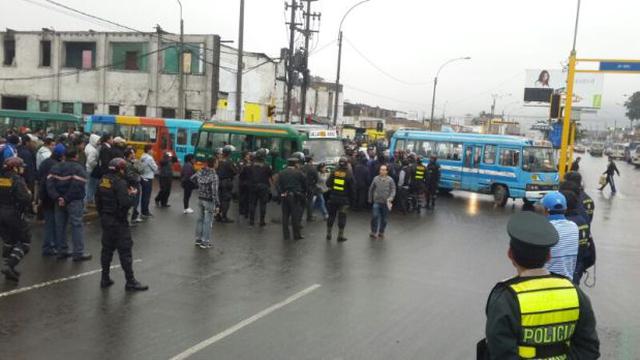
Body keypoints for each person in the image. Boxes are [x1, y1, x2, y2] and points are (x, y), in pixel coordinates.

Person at [478, 211, 600, 360]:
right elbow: (590, 349)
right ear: (549, 256)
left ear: (510, 254)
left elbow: (500, 353)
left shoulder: (505, 299)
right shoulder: (576, 294)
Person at [96, 158, 148, 291]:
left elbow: (98, 201)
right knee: (125, 251)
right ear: (121, 169)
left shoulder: (103, 180)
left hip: (106, 220)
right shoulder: (120, 183)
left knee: (106, 251)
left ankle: (105, 278)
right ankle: (130, 281)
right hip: (118, 222)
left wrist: (103, 215)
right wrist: (132, 195)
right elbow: (125, 203)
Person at [46, 148, 92, 261]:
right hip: (74, 201)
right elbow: (77, 186)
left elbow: (49, 184)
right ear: (75, 156)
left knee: (60, 226)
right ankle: (78, 253)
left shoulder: (55, 167)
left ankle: (62, 251)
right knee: (77, 225)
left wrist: (58, 197)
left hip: (58, 201)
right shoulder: (78, 168)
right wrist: (66, 198)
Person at [0, 157, 32, 281]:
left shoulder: (2, 178)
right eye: (20, 166)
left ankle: (9, 269)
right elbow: (25, 198)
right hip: (13, 214)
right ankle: (9, 266)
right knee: (25, 241)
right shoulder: (17, 180)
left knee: (9, 241)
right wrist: (29, 195)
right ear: (14, 167)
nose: (22, 168)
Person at [541, 191, 579, 280]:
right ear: (565, 209)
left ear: (546, 210)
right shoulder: (574, 227)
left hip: (547, 282)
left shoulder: (544, 229)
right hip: (568, 282)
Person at [561, 189, 594, 285]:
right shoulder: (583, 221)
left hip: (565, 273)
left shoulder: (567, 224)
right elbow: (590, 251)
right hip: (577, 270)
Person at [38, 143, 65, 256]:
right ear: (61, 155)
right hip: (52, 197)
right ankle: (48, 246)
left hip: (44, 195)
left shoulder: (45, 162)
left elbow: (40, 177)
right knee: (52, 223)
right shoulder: (56, 165)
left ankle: (51, 245)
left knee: (50, 222)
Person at [192, 157, 220, 249]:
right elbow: (214, 191)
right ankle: (205, 242)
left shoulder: (200, 172)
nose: (217, 164)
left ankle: (198, 239)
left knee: (200, 219)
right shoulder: (214, 176)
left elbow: (192, 178)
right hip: (209, 200)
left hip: (200, 198)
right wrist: (217, 204)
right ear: (214, 164)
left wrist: (200, 187)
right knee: (208, 221)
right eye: (217, 162)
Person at [325, 157, 356, 242]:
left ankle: (328, 234)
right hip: (344, 200)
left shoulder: (334, 172)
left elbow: (328, 183)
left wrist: (334, 188)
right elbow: (352, 189)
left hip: (333, 198)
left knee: (331, 216)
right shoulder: (349, 173)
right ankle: (340, 236)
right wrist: (353, 201)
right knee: (342, 217)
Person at [276, 157, 307, 240]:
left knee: (285, 215)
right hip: (295, 196)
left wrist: (281, 193)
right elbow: (305, 184)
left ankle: (286, 235)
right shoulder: (299, 173)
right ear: (296, 164)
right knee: (295, 216)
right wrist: (303, 193)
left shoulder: (281, 173)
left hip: (284, 196)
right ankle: (296, 235)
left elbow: (278, 185)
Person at [368, 165, 396, 239]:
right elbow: (371, 189)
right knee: (375, 216)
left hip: (386, 203)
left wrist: (391, 197)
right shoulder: (375, 178)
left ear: (387, 171)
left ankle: (381, 232)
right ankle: (373, 232)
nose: (382, 171)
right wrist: (370, 198)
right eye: (381, 169)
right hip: (377, 201)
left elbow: (393, 190)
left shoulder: (390, 180)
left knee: (384, 219)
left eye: (384, 170)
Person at [248, 148, 272, 227]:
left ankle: (251, 221)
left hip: (253, 186)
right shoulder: (267, 166)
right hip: (264, 187)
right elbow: (270, 176)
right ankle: (262, 221)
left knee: (252, 204)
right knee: (263, 204)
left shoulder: (251, 165)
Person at [216, 145, 237, 223]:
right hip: (226, 182)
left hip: (218, 181)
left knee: (219, 199)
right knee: (226, 200)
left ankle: (217, 215)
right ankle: (224, 217)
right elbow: (235, 172)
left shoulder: (219, 160)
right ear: (229, 153)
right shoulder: (229, 162)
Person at [123, 148, 143, 223]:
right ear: (129, 155)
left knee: (134, 201)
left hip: (130, 184)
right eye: (132, 153)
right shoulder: (129, 164)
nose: (134, 154)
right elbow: (140, 170)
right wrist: (137, 163)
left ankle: (133, 216)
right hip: (132, 184)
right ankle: (132, 218)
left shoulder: (128, 162)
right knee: (134, 201)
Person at [139, 144, 157, 217]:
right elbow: (155, 168)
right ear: (149, 150)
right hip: (148, 178)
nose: (153, 151)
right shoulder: (149, 158)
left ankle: (143, 211)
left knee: (144, 195)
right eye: (152, 150)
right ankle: (145, 212)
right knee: (147, 196)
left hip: (143, 177)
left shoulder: (142, 156)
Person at [84, 133, 100, 206]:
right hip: (90, 169)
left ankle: (88, 199)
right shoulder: (93, 150)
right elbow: (91, 161)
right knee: (90, 185)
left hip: (86, 168)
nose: (99, 142)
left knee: (88, 185)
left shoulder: (88, 146)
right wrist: (97, 164)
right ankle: (88, 199)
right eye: (97, 141)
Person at [301, 154, 319, 221]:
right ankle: (309, 217)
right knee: (310, 202)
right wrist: (313, 184)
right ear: (311, 161)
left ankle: (299, 218)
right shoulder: (313, 169)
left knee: (302, 202)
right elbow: (316, 179)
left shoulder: (302, 167)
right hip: (310, 187)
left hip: (302, 187)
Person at [237, 151, 252, 220]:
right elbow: (240, 171)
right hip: (243, 182)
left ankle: (246, 212)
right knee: (242, 197)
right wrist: (247, 166)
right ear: (245, 156)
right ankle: (241, 211)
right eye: (248, 155)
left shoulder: (251, 162)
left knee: (248, 198)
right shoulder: (241, 162)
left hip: (249, 182)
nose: (249, 156)